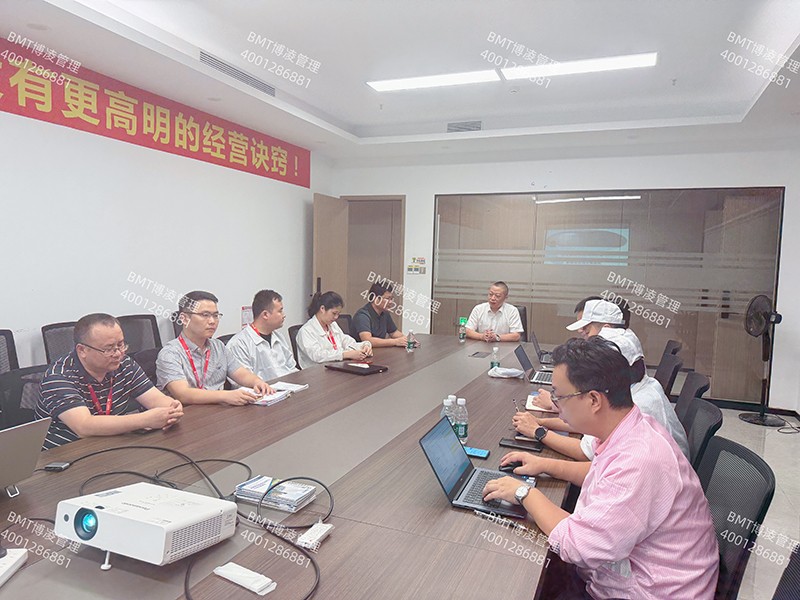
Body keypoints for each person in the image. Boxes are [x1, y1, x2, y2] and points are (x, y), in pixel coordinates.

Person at [483, 337, 719, 599]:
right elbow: (601, 475)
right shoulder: (632, 427)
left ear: (594, 400)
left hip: (651, 592)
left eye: (560, 397)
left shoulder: (639, 460)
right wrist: (544, 465)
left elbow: (578, 545)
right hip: (639, 572)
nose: (556, 406)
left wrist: (524, 493)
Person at [513, 327, 690, 461]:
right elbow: (585, 424)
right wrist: (541, 422)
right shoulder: (632, 393)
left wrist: (539, 432)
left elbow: (586, 453)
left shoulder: (638, 407)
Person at [35, 313, 183, 449]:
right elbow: (84, 426)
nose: (118, 353)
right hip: (66, 452)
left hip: (111, 444)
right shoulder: (58, 377)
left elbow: (157, 400)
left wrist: (172, 410)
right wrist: (144, 420)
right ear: (82, 350)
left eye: (121, 345)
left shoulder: (124, 364)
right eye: (108, 349)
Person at [156, 291, 273, 405]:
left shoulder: (218, 346)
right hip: (187, 413)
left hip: (218, 411)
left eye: (215, 315)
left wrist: (257, 382)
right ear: (184, 318)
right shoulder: (170, 353)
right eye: (205, 315)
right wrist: (226, 396)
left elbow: (241, 374)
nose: (212, 321)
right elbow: (183, 394)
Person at [226, 289, 298, 382]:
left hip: (289, 387)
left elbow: (292, 369)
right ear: (265, 314)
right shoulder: (239, 344)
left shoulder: (279, 337)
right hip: (262, 390)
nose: (284, 315)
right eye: (280, 311)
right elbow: (242, 382)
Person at [296, 291, 372, 369]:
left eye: (338, 314)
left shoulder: (332, 325)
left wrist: (364, 346)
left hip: (336, 367)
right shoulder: (306, 331)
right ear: (322, 309)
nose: (336, 317)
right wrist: (344, 354)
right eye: (334, 313)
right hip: (316, 372)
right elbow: (317, 355)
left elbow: (346, 341)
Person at [352, 282, 409, 348]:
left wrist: (408, 340)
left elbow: (394, 332)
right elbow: (367, 340)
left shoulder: (384, 313)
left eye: (391, 299)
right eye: (387, 299)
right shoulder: (362, 315)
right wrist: (395, 341)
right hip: (362, 352)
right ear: (376, 298)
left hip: (380, 351)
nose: (391, 302)